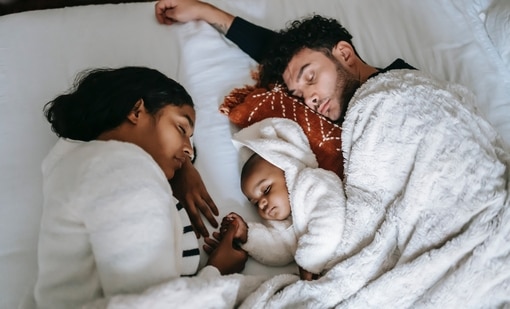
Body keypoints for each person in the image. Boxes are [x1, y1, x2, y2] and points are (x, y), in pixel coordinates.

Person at [32, 66, 248, 309]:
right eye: (181, 129)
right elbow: (152, 303)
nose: (189, 149)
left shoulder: (85, 166)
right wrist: (216, 274)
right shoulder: (120, 167)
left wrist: (179, 166)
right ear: (136, 111)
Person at [217, 118, 345, 281]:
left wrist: (309, 261)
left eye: (266, 190)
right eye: (255, 203)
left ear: (287, 170)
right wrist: (247, 235)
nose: (262, 203)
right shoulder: (288, 223)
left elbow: (330, 220)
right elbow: (280, 251)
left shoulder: (313, 182)